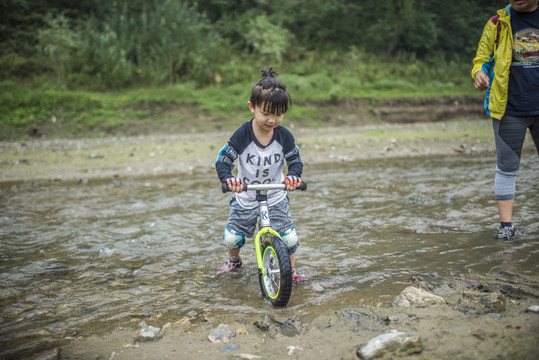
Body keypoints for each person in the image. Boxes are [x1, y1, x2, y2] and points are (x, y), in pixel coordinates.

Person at [214, 66, 307, 283]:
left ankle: (289, 271)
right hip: (246, 195)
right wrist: (229, 179)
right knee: (232, 237)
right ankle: (234, 262)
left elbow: (295, 160)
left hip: (275, 195)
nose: (272, 120)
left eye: (279, 114)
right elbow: (224, 159)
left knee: (289, 237)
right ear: (252, 107)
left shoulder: (284, 136)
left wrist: (293, 176)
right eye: (266, 113)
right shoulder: (243, 134)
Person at [471, 0, 539, 240]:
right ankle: (506, 227)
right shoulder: (497, 23)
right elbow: (481, 58)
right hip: (508, 108)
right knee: (507, 169)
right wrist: (479, 72)